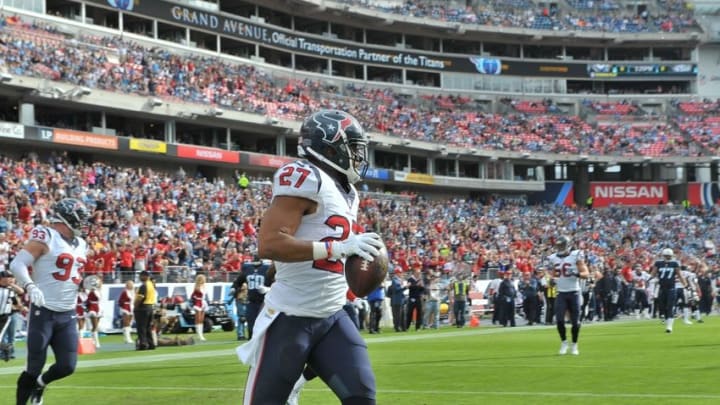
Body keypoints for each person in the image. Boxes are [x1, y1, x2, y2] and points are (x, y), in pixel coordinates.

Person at [237, 110, 384, 404]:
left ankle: (299, 379)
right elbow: (269, 243)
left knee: (362, 395)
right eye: (352, 148)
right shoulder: (304, 175)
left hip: (332, 314)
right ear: (329, 148)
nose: (358, 156)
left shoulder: (349, 191)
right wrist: (337, 249)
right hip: (289, 319)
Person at [9, 198, 90, 405]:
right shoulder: (46, 235)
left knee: (67, 366)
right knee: (34, 365)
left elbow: (69, 275)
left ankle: (41, 384)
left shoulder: (81, 243)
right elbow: (17, 264)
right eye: (80, 219)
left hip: (67, 313)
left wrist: (84, 284)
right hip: (43, 311)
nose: (83, 224)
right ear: (67, 218)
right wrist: (29, 286)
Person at [546, 235, 589, 355]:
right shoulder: (553, 258)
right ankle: (564, 342)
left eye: (562, 245)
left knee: (575, 322)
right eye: (558, 246)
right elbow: (553, 276)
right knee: (559, 320)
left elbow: (586, 273)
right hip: (561, 293)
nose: (560, 248)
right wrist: (551, 281)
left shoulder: (576, 255)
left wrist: (575, 273)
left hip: (574, 292)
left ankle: (574, 344)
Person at [234, 256, 273, 339]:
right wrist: (234, 288)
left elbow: (276, 283)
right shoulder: (247, 268)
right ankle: (251, 339)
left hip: (264, 301)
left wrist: (268, 289)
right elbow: (239, 281)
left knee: (265, 321)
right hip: (251, 301)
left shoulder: (267, 268)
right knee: (250, 320)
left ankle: (264, 339)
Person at [651, 248, 686, 333]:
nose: (667, 257)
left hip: (671, 288)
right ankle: (667, 322)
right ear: (663, 256)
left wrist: (685, 285)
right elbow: (653, 274)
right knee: (662, 307)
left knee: (670, 306)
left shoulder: (674, 263)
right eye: (666, 256)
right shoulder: (658, 263)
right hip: (662, 288)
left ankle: (669, 326)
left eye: (669, 256)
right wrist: (651, 280)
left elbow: (680, 275)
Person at [134, 270, 157, 350]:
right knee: (148, 327)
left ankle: (143, 344)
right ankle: (151, 343)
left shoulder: (144, 286)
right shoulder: (151, 284)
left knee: (141, 327)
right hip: (150, 307)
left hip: (142, 308)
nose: (140, 278)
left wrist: (135, 306)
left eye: (141, 276)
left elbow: (140, 298)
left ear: (145, 276)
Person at [227, 275, 249, 340]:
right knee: (242, 318)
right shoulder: (240, 280)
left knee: (248, 318)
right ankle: (240, 334)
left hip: (248, 300)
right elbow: (235, 288)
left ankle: (247, 333)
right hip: (241, 300)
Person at [190, 274, 208, 341]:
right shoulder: (197, 287)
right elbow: (193, 296)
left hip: (203, 303)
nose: (204, 280)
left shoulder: (204, 286)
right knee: (198, 319)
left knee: (202, 320)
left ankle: (201, 334)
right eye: (203, 279)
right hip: (198, 303)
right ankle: (199, 335)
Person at [86, 278, 103, 348]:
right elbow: (87, 301)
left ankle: (93, 340)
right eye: (99, 283)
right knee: (95, 326)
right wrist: (88, 308)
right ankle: (96, 342)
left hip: (98, 308)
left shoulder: (99, 291)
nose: (101, 284)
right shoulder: (92, 291)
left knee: (96, 326)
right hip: (92, 308)